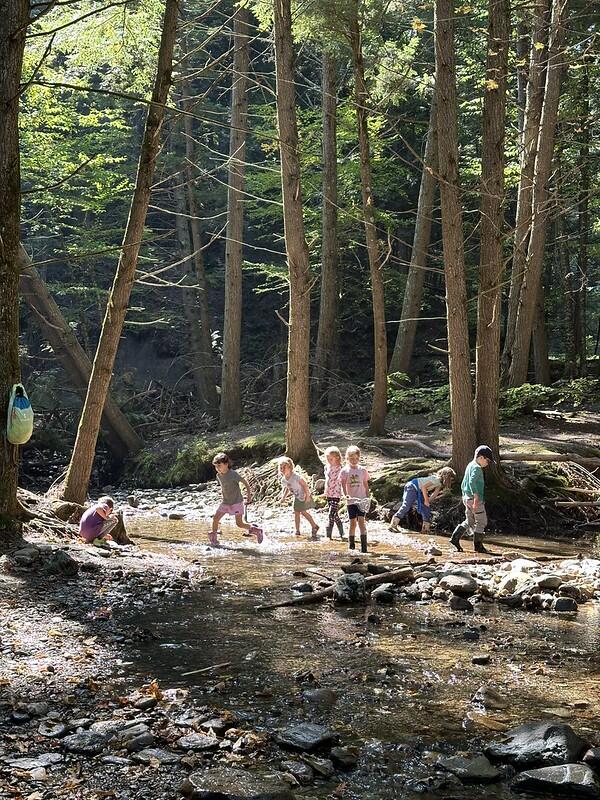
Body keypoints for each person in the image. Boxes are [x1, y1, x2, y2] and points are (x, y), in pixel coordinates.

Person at [210, 453, 263, 546]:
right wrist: (222, 492)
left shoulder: (233, 474)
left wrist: (249, 496)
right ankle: (214, 538)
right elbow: (223, 486)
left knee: (239, 524)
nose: (217, 468)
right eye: (215, 466)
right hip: (225, 502)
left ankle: (257, 530)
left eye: (219, 466)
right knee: (215, 518)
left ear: (226, 464)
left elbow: (245, 482)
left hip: (236, 502)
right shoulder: (218, 475)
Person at [450, 445, 495, 553]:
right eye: (488, 461)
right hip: (475, 500)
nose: (488, 464)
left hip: (466, 498)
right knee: (481, 521)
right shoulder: (477, 468)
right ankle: (478, 546)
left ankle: (455, 538)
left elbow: (464, 482)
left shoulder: (470, 465)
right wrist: (476, 497)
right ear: (481, 458)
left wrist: (465, 496)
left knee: (470, 520)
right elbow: (471, 482)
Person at [389, 467, 456, 533]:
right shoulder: (436, 479)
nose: (451, 482)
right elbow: (424, 487)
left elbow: (433, 495)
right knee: (406, 506)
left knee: (426, 509)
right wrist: (426, 501)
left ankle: (425, 529)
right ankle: (393, 525)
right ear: (447, 477)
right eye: (451, 480)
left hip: (420, 491)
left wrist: (436, 497)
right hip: (412, 487)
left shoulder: (439, 484)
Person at [278, 456, 319, 539]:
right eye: (281, 468)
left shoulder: (296, 477)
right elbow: (287, 488)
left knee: (303, 512)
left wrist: (307, 495)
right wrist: (283, 497)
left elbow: (305, 485)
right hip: (297, 497)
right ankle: (297, 530)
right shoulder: (284, 480)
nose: (282, 469)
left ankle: (314, 526)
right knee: (296, 512)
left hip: (304, 495)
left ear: (290, 467)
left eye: (284, 467)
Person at [340, 445, 370, 553]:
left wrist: (368, 496)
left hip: (362, 500)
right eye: (351, 458)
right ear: (347, 459)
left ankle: (364, 548)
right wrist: (345, 495)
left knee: (361, 522)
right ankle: (351, 546)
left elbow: (366, 484)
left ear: (359, 458)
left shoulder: (363, 470)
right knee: (352, 523)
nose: (354, 460)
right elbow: (343, 485)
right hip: (351, 501)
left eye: (356, 458)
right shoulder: (344, 471)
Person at [323, 446, 344, 540]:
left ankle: (329, 535)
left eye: (331, 459)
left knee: (331, 514)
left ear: (338, 458)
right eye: (328, 459)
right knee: (335, 515)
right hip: (329, 493)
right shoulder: (327, 467)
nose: (329, 460)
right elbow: (327, 480)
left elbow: (343, 481)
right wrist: (325, 490)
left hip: (336, 494)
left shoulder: (340, 469)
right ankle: (341, 531)